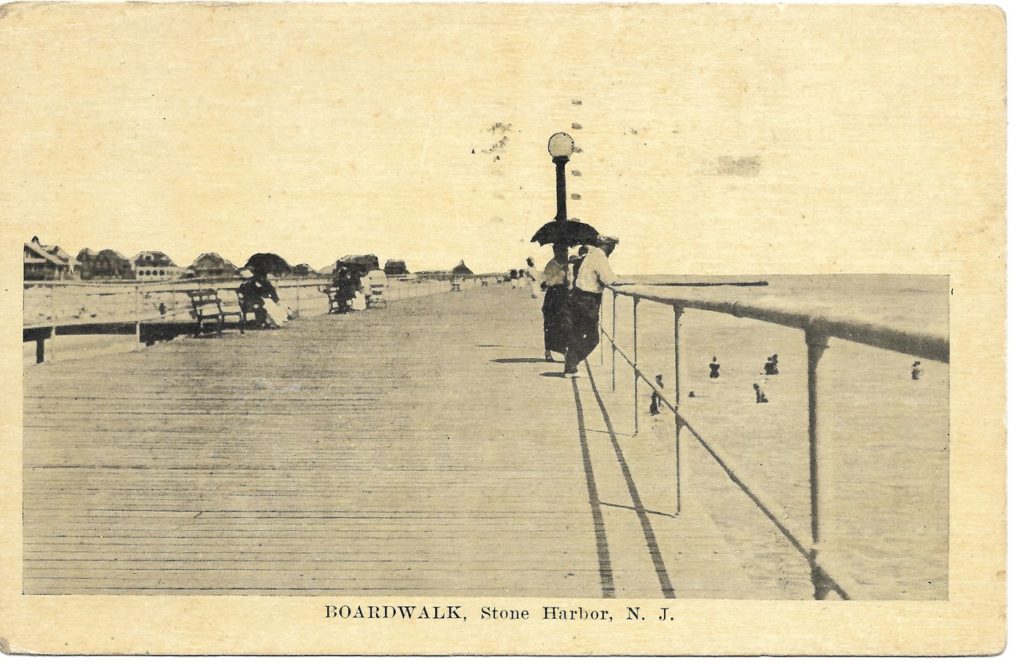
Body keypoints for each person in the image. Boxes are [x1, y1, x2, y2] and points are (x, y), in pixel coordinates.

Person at [564, 235, 618, 377]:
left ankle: (570, 366)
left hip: (578, 296)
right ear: (607, 245)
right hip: (588, 300)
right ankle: (571, 364)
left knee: (578, 333)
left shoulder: (590, 255)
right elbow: (608, 279)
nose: (612, 250)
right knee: (593, 338)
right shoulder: (600, 257)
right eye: (612, 246)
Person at [540, 254, 570, 361]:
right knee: (549, 322)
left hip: (564, 294)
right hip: (553, 295)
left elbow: (569, 282)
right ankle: (548, 351)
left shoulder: (567, 264)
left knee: (565, 322)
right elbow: (548, 282)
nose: (564, 251)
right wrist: (560, 272)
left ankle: (565, 351)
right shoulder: (551, 265)